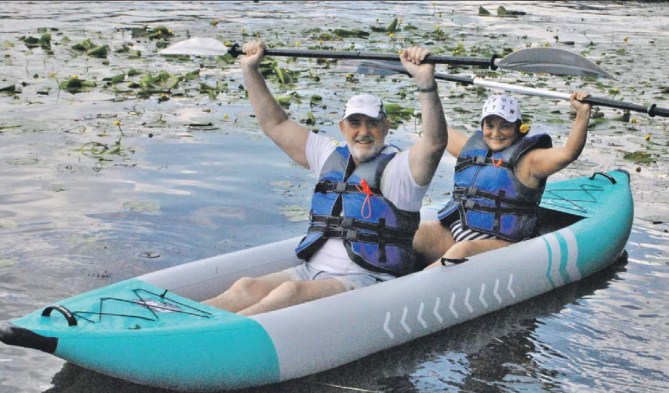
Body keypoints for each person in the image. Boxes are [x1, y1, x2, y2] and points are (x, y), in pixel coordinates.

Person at [204, 40, 448, 315]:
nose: (363, 132)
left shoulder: (402, 170)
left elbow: (434, 144)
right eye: (355, 123)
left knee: (290, 292)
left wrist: (426, 82)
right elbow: (276, 124)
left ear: (386, 126)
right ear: (343, 127)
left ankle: (210, 336)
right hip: (311, 271)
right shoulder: (328, 154)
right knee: (245, 287)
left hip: (368, 281)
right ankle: (170, 320)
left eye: (372, 123)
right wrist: (250, 70)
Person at [413, 92, 592, 268]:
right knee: (413, 232)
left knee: (461, 251)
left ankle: (412, 291)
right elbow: (436, 129)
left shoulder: (530, 161)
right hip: (456, 233)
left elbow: (569, 153)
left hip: (505, 244)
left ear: (518, 127)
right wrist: (426, 86)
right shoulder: (469, 149)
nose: (495, 133)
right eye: (489, 125)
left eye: (505, 126)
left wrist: (582, 113)